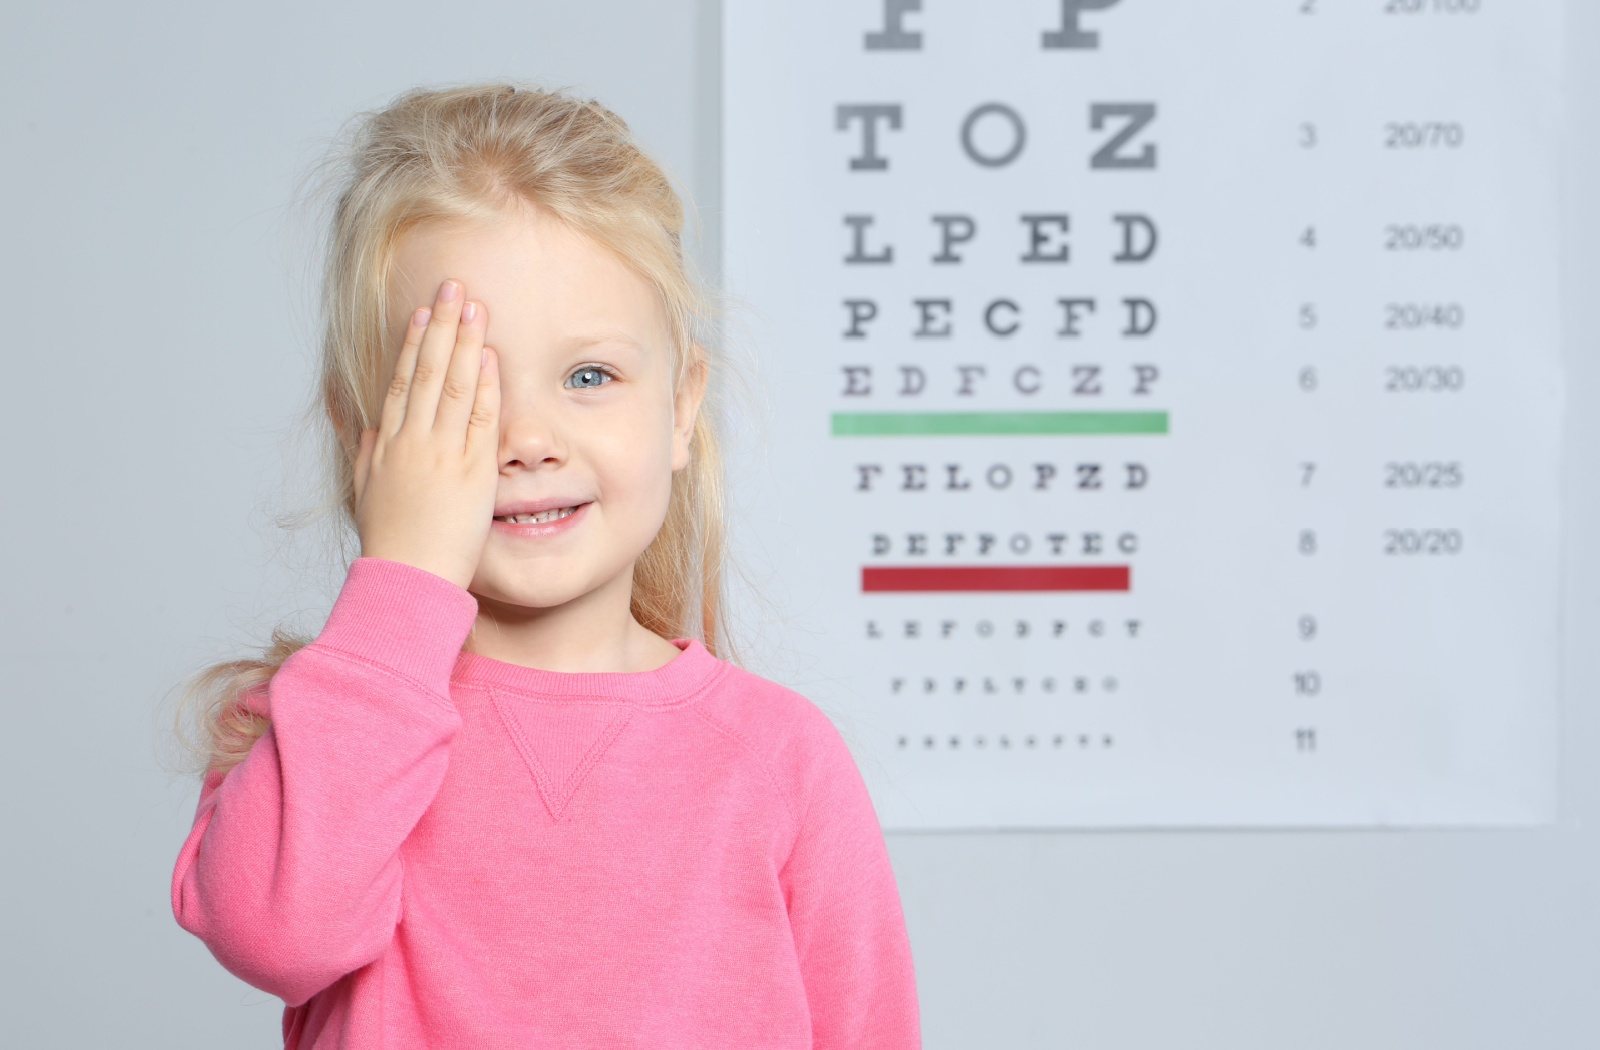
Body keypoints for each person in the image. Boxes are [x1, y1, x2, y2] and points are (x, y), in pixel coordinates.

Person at [168, 81, 921, 1049]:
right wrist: (405, 578)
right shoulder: (315, 732)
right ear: (364, 434)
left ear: (681, 407)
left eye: (589, 376)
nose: (526, 439)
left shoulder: (780, 757)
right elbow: (279, 936)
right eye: (458, 389)